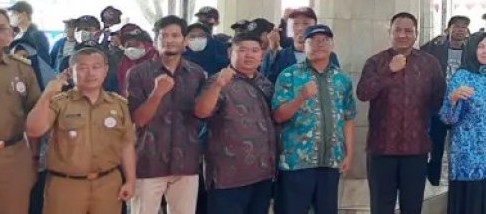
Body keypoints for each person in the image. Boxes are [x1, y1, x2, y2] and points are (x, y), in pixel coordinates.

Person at [26, 47, 136, 214]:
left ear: (105, 70)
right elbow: (34, 130)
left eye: (96, 67)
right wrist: (47, 95)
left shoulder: (118, 104)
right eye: (82, 68)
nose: (90, 73)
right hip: (66, 186)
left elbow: (126, 145)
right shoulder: (58, 102)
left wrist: (130, 180)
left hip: (108, 184)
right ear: (71, 72)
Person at [356, 13, 446, 214]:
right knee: (381, 207)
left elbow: (439, 100)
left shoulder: (430, 63)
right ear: (390, 32)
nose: (403, 35)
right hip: (382, 148)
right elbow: (363, 93)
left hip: (416, 149)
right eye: (398, 30)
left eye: (408, 31)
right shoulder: (376, 62)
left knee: (412, 207)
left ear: (416, 34)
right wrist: (389, 71)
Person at [271, 24, 356, 214]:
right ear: (304, 45)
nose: (319, 44)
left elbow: (348, 118)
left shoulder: (342, 79)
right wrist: (300, 98)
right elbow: (278, 116)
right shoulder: (289, 75)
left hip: (330, 162)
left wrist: (349, 154)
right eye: (313, 41)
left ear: (332, 45)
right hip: (296, 163)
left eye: (324, 40)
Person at [127, 16, 205, 214]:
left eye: (175, 35)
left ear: (185, 41)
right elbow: (138, 120)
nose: (169, 40)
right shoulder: (138, 73)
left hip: (186, 162)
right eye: (164, 36)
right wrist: (157, 94)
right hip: (148, 161)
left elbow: (202, 114)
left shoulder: (196, 73)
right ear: (155, 41)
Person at [193, 31, 277, 214]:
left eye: (254, 50)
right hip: (228, 177)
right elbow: (201, 112)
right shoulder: (218, 80)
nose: (249, 55)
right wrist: (217, 86)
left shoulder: (264, 83)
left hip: (262, 174)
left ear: (261, 55)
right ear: (230, 52)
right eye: (242, 50)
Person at [438, 31, 486, 214]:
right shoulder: (461, 77)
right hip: (469, 156)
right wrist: (453, 99)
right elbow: (446, 118)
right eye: (481, 46)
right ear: (472, 49)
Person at [0, 7, 42, 214]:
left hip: (13, 156)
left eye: (0, 29)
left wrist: (34, 157)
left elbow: (35, 116)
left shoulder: (22, 69)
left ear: (10, 34)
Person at [264, 7, 340, 81]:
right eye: (295, 23)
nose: (300, 28)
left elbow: (337, 83)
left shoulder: (328, 56)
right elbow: (265, 80)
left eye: (306, 23)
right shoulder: (280, 56)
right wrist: (272, 49)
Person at [116, 27, 157, 96]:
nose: (127, 42)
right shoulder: (123, 59)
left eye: (129, 38)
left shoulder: (155, 54)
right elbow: (121, 79)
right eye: (124, 40)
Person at [7, 2, 50, 67]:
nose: (11, 16)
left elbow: (43, 61)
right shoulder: (16, 35)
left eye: (14, 13)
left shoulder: (36, 35)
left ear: (23, 14)